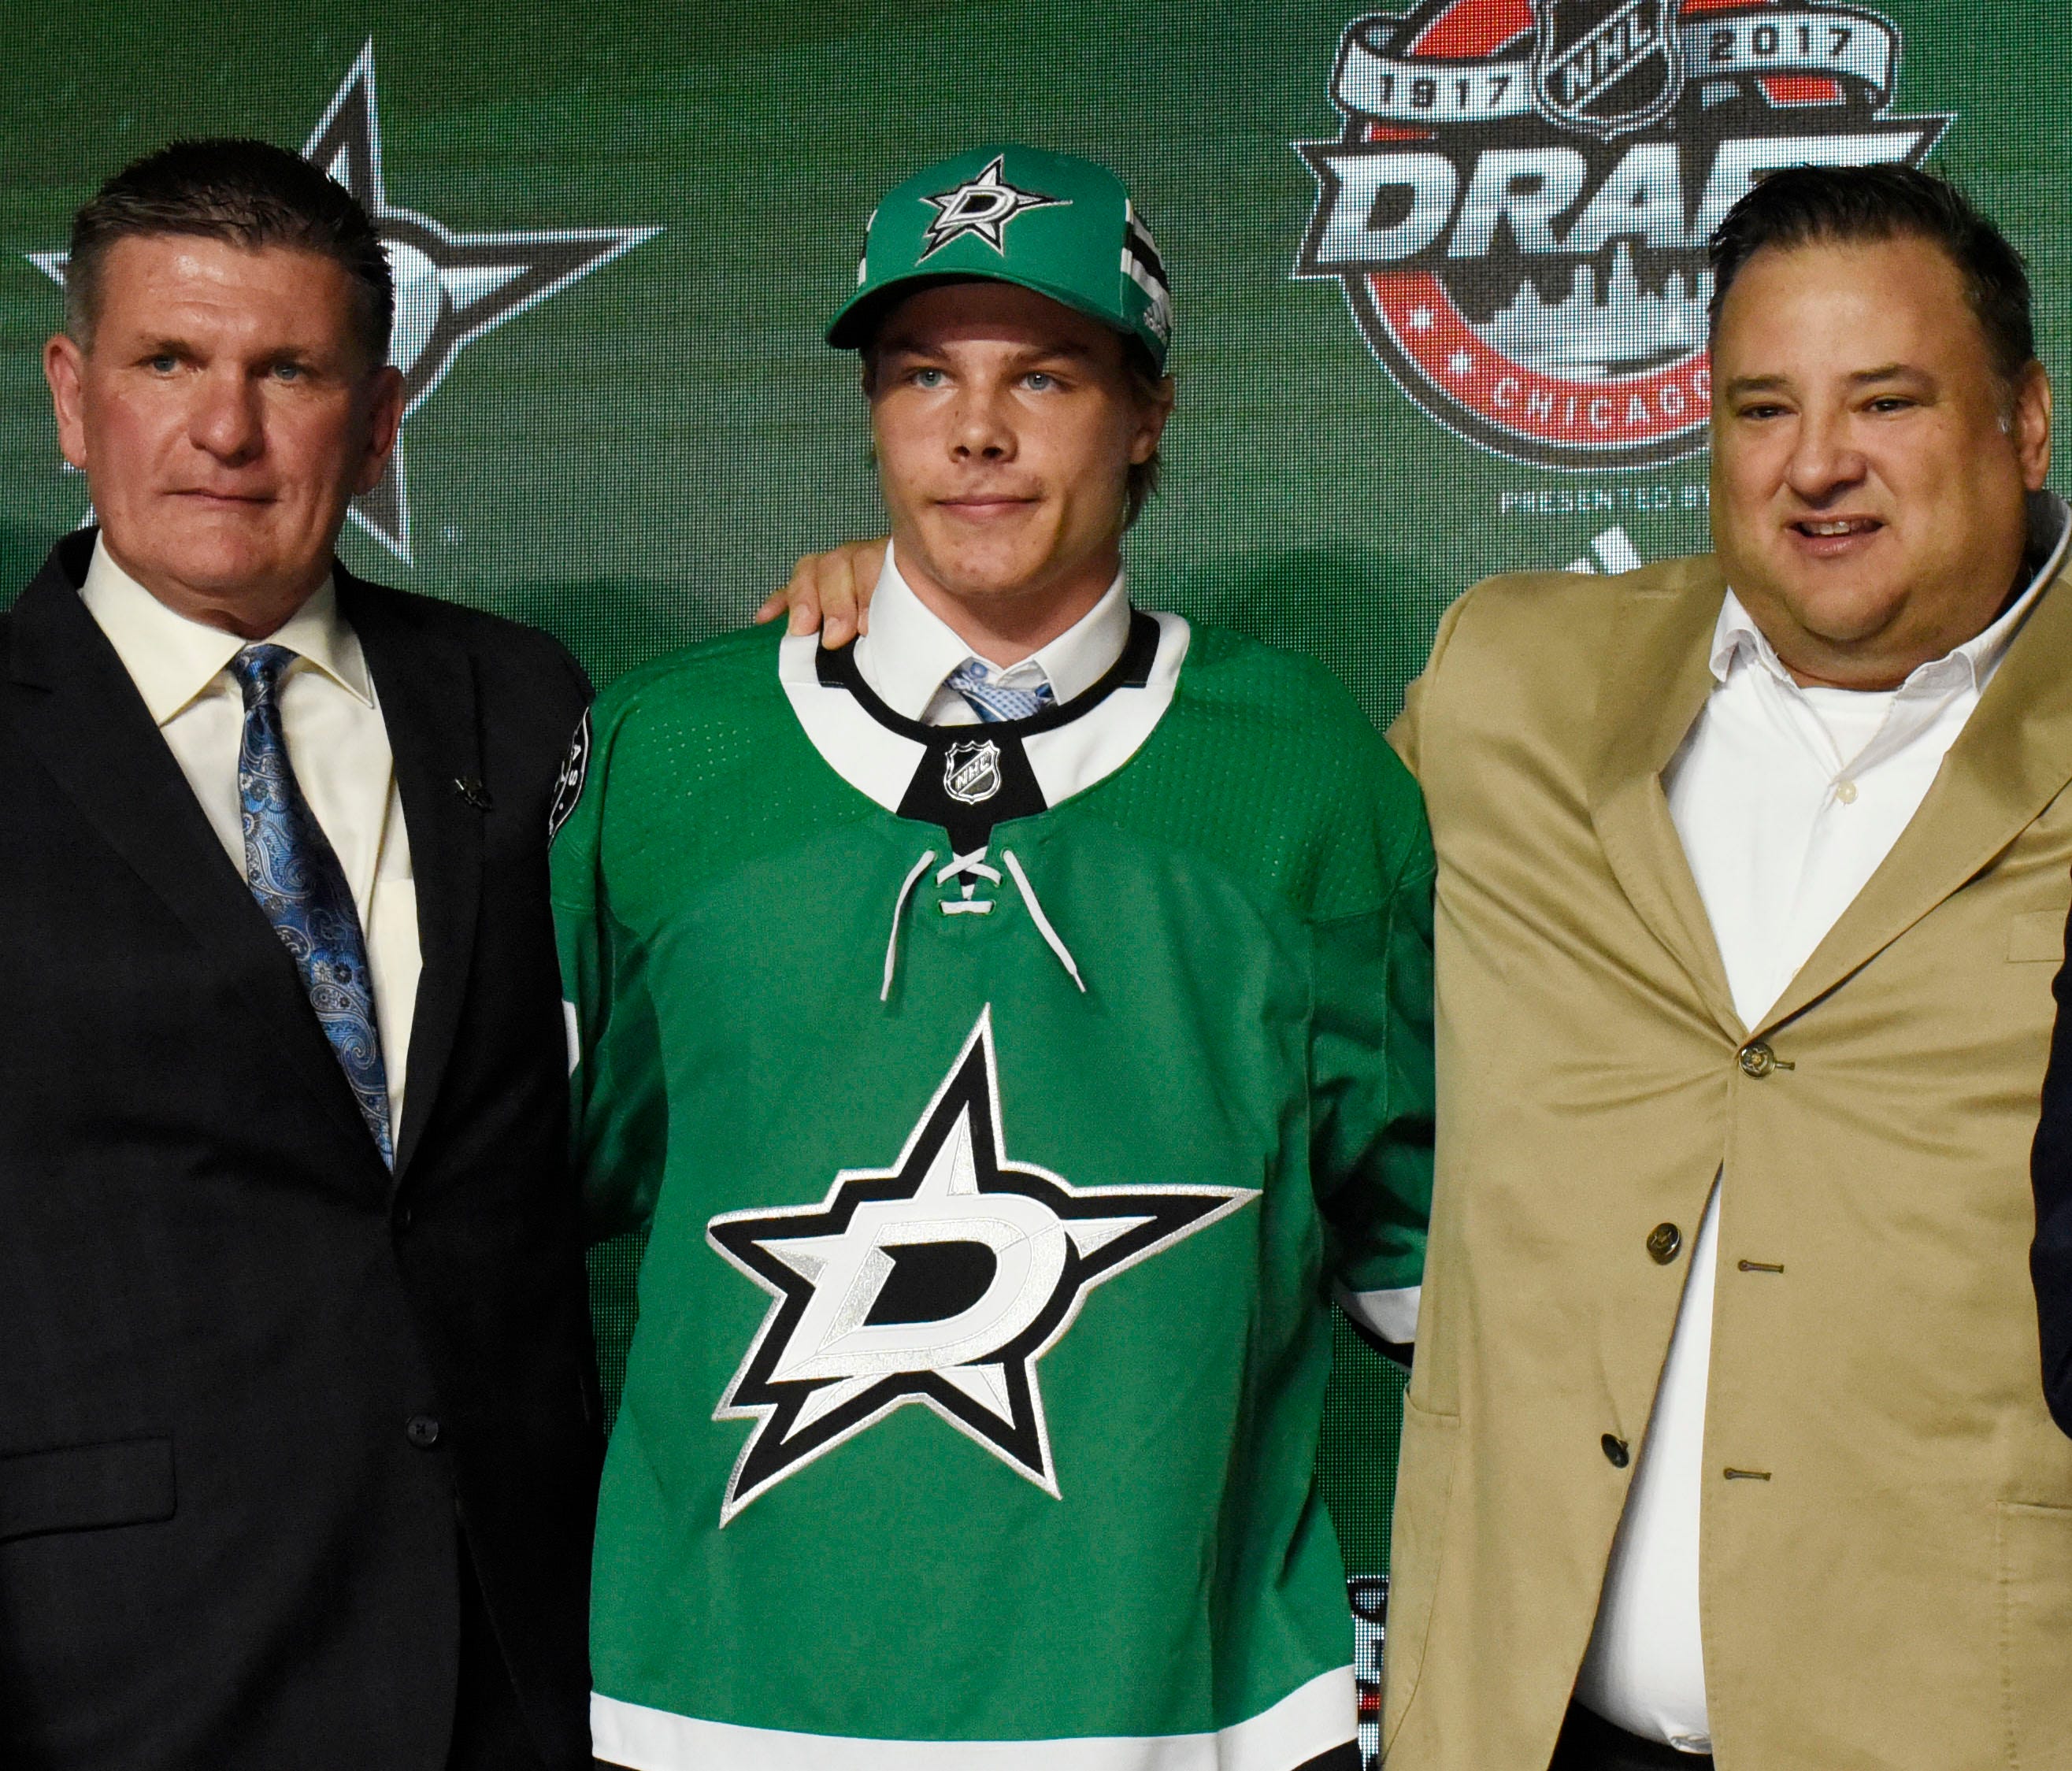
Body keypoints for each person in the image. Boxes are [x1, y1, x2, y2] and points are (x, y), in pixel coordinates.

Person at [554, 144, 1433, 1771]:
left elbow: (1432, 1269)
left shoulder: (1301, 768)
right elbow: (500, 1206)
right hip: (723, 1707)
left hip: (1182, 1715)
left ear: (1147, 413)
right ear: (872, 409)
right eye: (922, 375)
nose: (975, 431)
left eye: (1044, 374)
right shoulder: (667, 751)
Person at [1380, 166, 2069, 1769]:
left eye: (1885, 400)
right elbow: (1235, 891)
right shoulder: (1512, 680)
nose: (1815, 464)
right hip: (1519, 1728)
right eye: (1763, 409)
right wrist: (942, 634)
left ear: (2023, 424)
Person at [4, 139, 599, 1769]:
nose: (226, 429)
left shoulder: (526, 700)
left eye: (289, 371)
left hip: (525, 1662)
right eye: (167, 362)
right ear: (72, 396)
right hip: (115, 1677)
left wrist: (874, 607)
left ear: (382, 415)